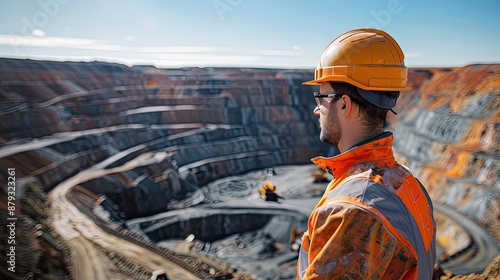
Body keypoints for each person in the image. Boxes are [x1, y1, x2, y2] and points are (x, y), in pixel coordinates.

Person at [296, 28, 436, 279]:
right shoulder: (408, 184)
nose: (317, 110)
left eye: (321, 98)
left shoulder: (352, 209)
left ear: (344, 104)